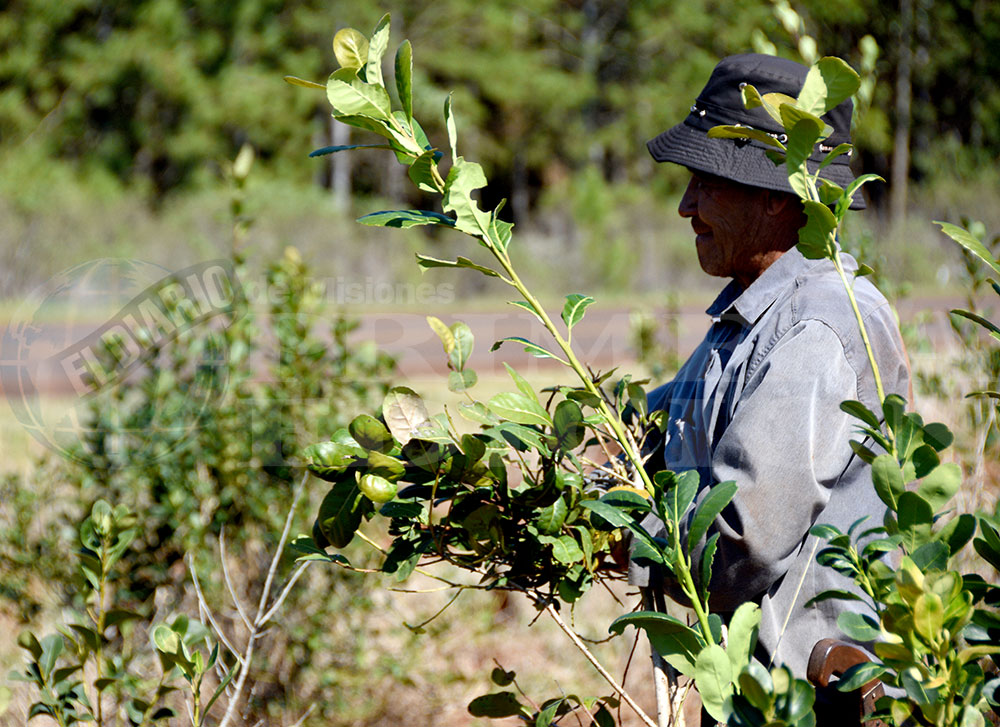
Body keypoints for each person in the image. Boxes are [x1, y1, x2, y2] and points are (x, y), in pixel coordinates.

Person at [633, 53, 910, 689]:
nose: (686, 206)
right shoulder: (754, 315)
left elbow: (739, 547)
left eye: (706, 181)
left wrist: (620, 536)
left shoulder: (818, 325)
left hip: (811, 702)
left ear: (775, 199)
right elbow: (667, 423)